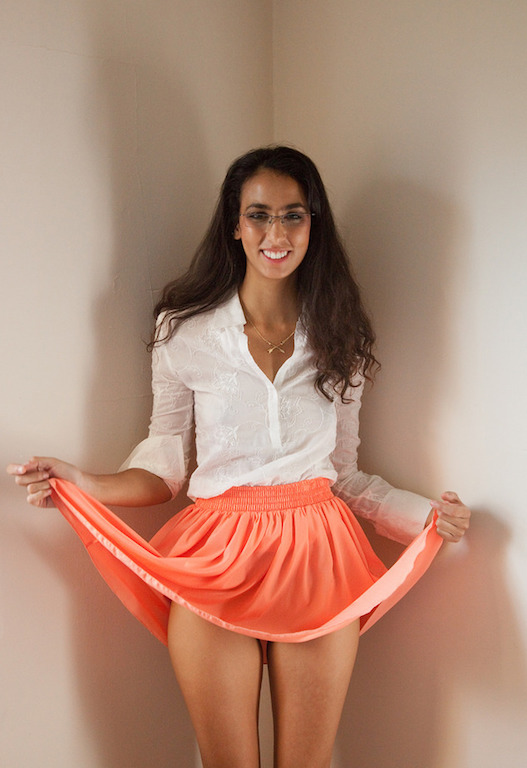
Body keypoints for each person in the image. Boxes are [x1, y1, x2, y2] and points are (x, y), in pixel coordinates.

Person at [7, 146, 470, 768]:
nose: (276, 234)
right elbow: (164, 467)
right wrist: (82, 481)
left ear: (314, 225)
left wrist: (425, 516)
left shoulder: (341, 335)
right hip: (214, 558)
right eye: (259, 215)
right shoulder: (183, 331)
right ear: (234, 223)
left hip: (317, 558)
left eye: (293, 215)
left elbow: (344, 474)